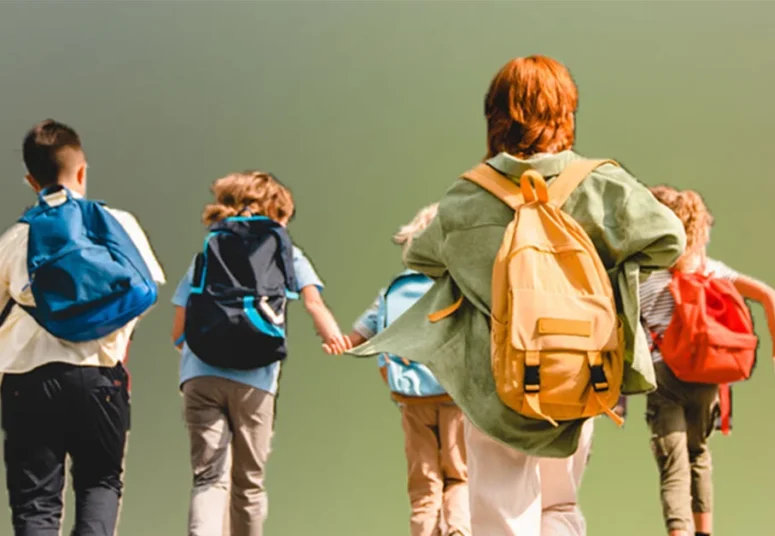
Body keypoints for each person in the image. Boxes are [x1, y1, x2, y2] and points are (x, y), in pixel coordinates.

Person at [345, 55, 686, 536]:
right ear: (565, 111)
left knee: (501, 517)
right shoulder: (601, 183)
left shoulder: (467, 196)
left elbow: (420, 259)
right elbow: (670, 239)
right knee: (561, 506)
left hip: (494, 383)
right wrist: (607, 271)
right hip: (578, 371)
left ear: (495, 115)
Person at [0, 119, 166, 536]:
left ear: (30, 179)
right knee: (100, 484)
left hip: (26, 381)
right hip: (100, 378)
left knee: (35, 504)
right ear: (82, 170)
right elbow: (143, 294)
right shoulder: (118, 224)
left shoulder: (16, 238)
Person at [170, 171, 346, 536]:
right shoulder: (288, 253)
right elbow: (314, 304)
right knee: (248, 485)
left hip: (200, 374)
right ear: (277, 214)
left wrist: (191, 353)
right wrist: (333, 335)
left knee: (208, 479)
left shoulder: (209, 249)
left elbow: (179, 326)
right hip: (256, 377)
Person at [641, 186, 775, 536]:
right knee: (699, 454)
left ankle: (678, 532)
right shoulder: (712, 270)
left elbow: (625, 331)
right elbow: (770, 296)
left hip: (664, 377)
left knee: (673, 467)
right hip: (707, 377)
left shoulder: (646, 277)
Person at [343, 203, 470, 536]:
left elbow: (357, 338)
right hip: (456, 395)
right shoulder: (459, 286)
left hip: (411, 397)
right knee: (459, 476)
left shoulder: (393, 289)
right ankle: (458, 531)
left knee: (425, 485)